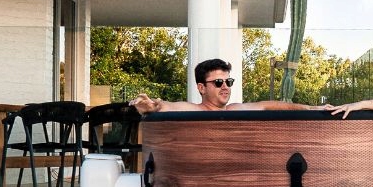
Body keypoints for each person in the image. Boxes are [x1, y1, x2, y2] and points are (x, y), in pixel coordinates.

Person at [130, 58, 314, 114]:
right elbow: (168, 106)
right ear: (201, 88)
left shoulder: (235, 109)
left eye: (228, 82)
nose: (225, 86)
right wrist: (151, 106)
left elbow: (267, 106)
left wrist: (312, 108)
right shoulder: (196, 111)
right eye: (218, 82)